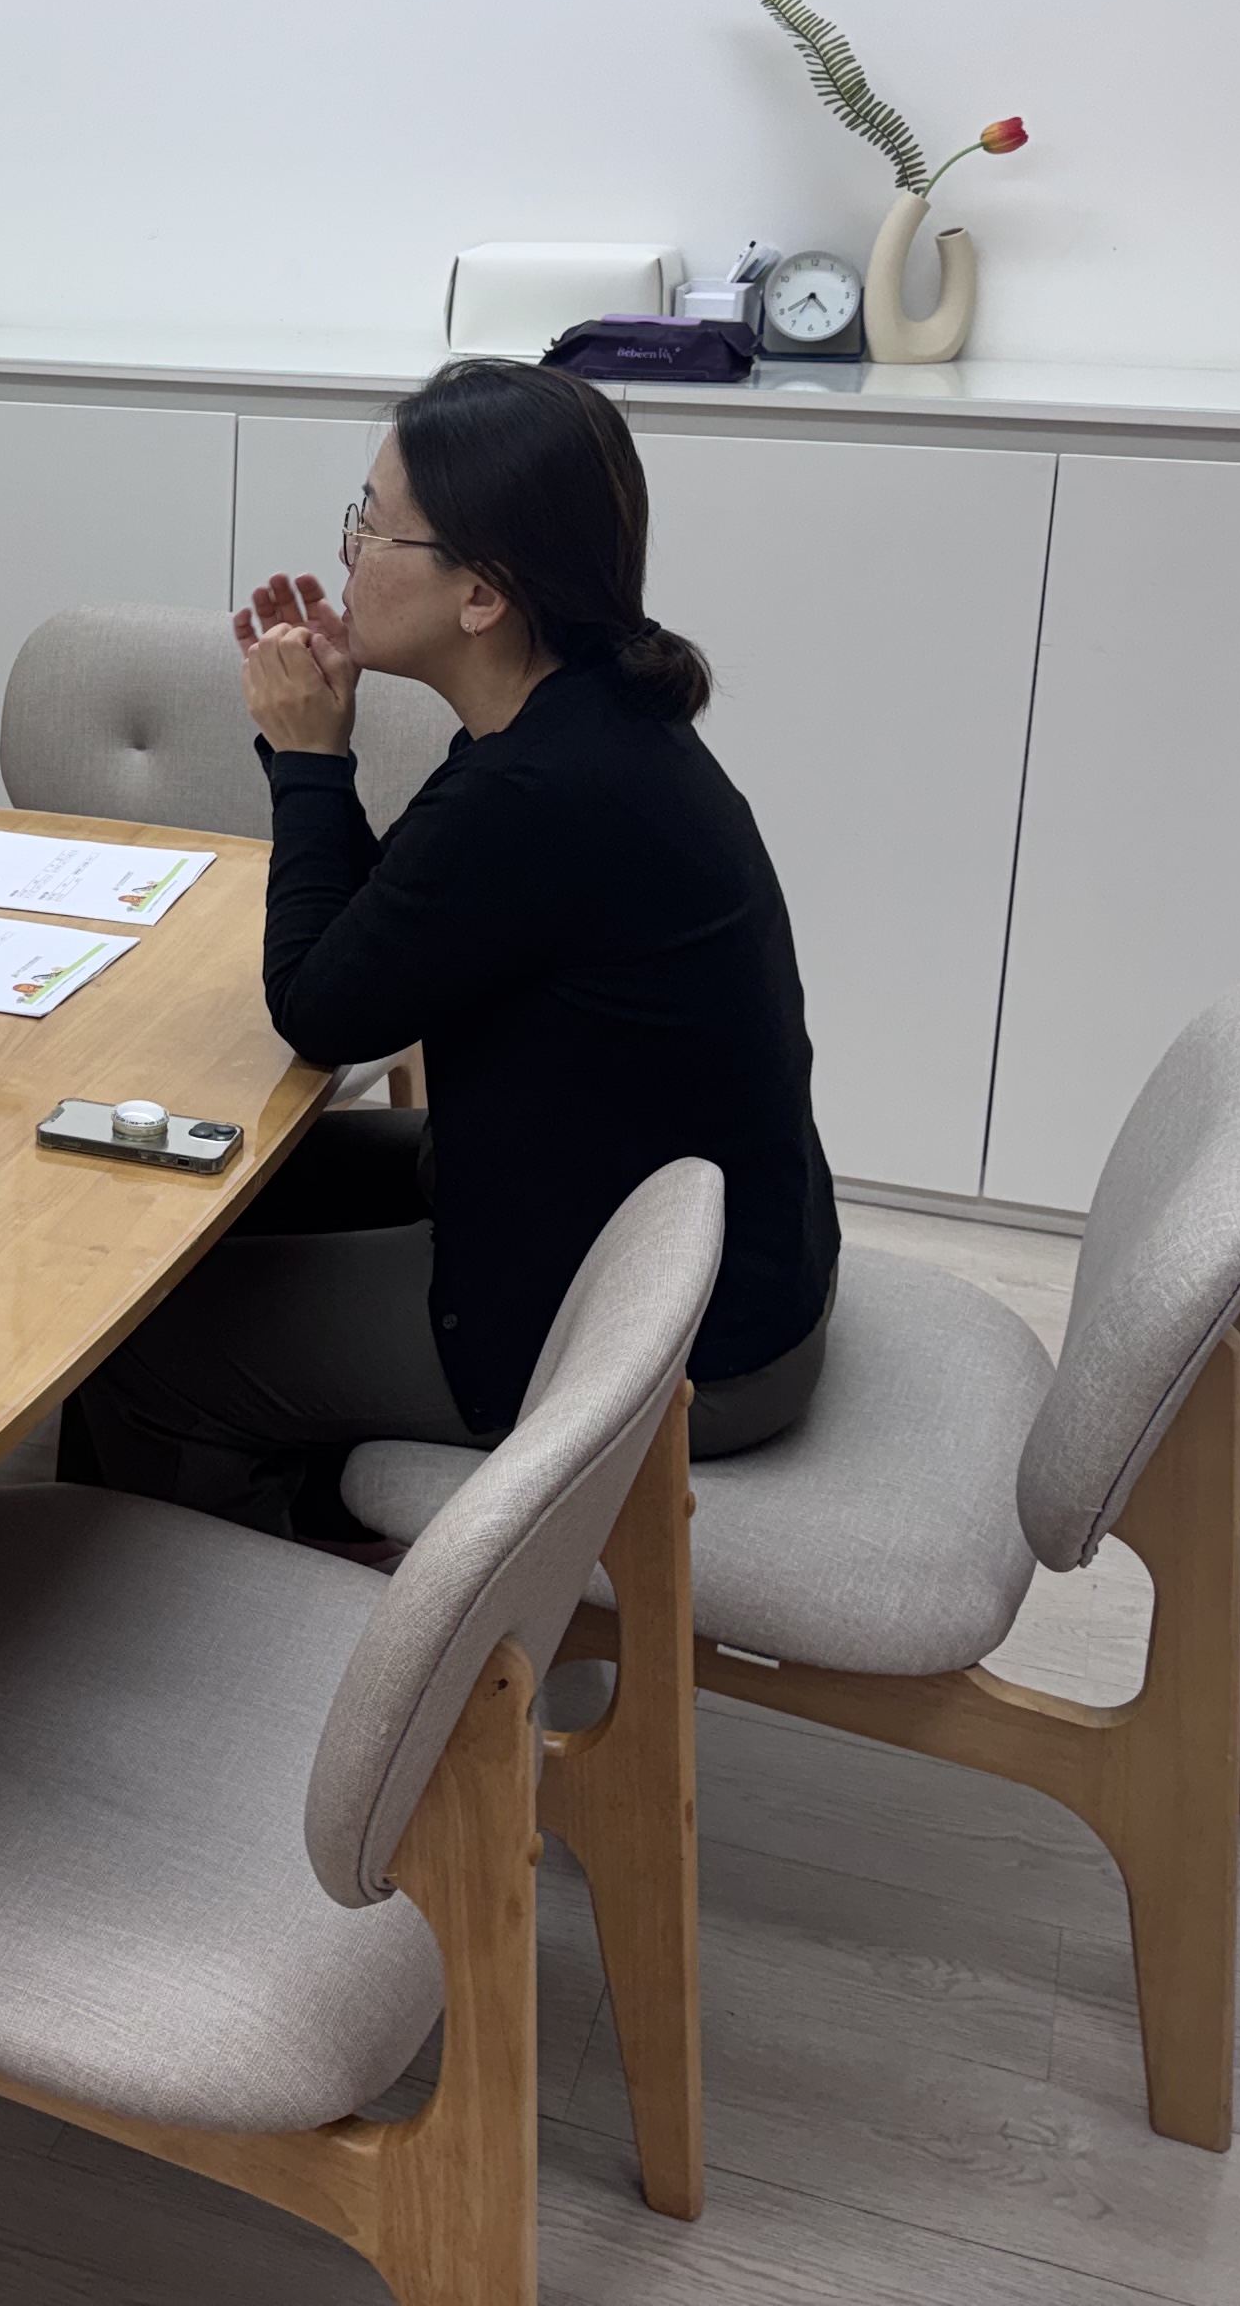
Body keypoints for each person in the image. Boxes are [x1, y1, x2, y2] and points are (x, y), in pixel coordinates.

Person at [58, 358, 836, 1538]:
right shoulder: (578, 718)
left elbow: (322, 1008)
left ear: (482, 594)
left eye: (375, 527)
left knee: (140, 1338)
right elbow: (396, 935)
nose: (350, 551)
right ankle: (282, 1486)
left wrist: (313, 761)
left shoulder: (540, 787)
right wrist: (314, 751)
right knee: (191, 1188)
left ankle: (247, 1601)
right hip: (685, 1243)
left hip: (670, 1339)